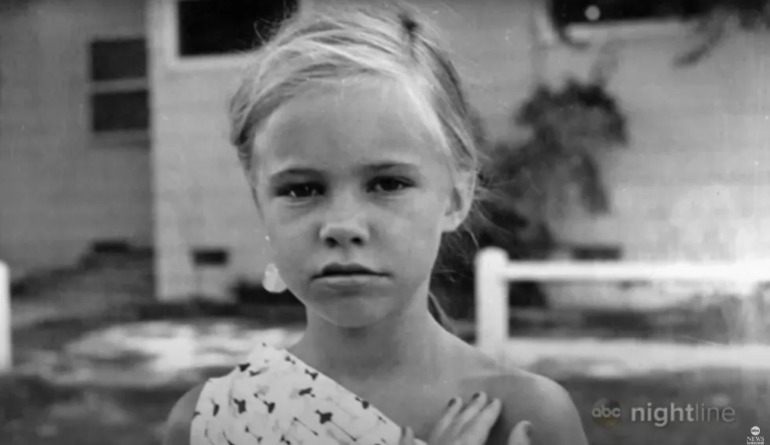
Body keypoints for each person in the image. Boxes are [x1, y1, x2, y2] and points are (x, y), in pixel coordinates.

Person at [163, 4, 588, 445]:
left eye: (388, 183)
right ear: (260, 203)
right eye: (301, 189)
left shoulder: (526, 418)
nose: (342, 225)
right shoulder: (212, 423)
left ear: (455, 196)